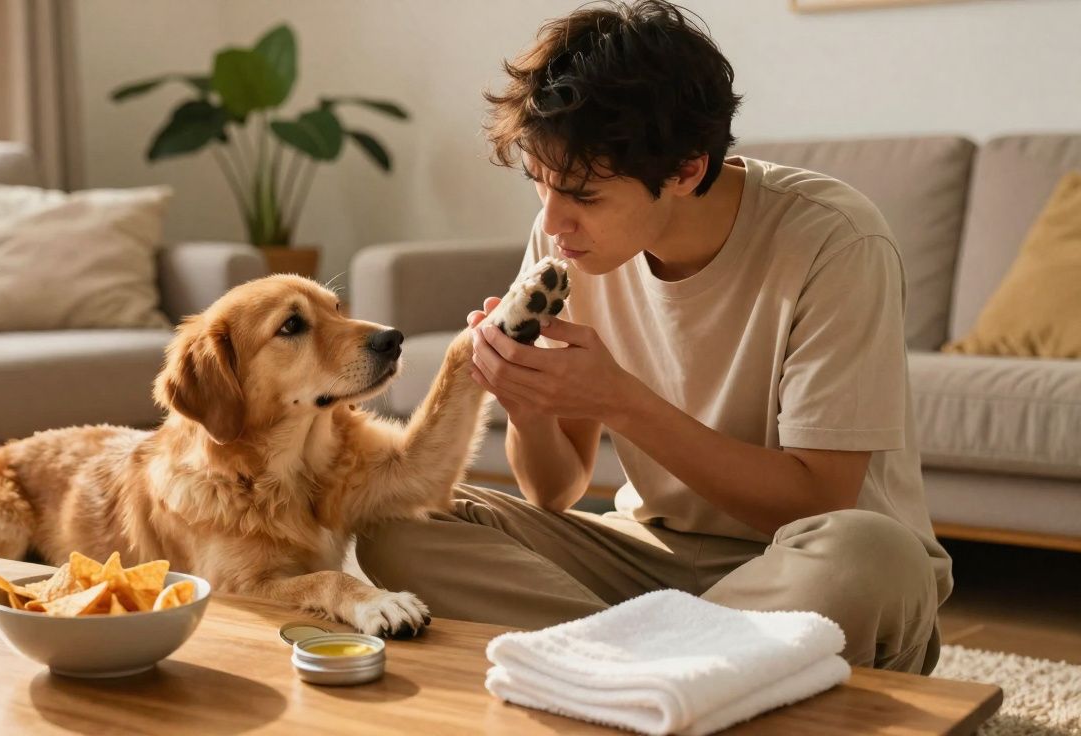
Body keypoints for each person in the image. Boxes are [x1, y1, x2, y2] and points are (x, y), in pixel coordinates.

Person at [354, 0, 952, 674]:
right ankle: (690, 671)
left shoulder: (834, 240)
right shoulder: (569, 245)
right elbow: (554, 492)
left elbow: (818, 498)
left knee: (871, 558)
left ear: (686, 170)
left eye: (582, 195)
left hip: (795, 562)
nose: (554, 222)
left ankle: (610, 666)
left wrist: (621, 401)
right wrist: (525, 400)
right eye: (540, 185)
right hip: (644, 556)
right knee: (394, 518)